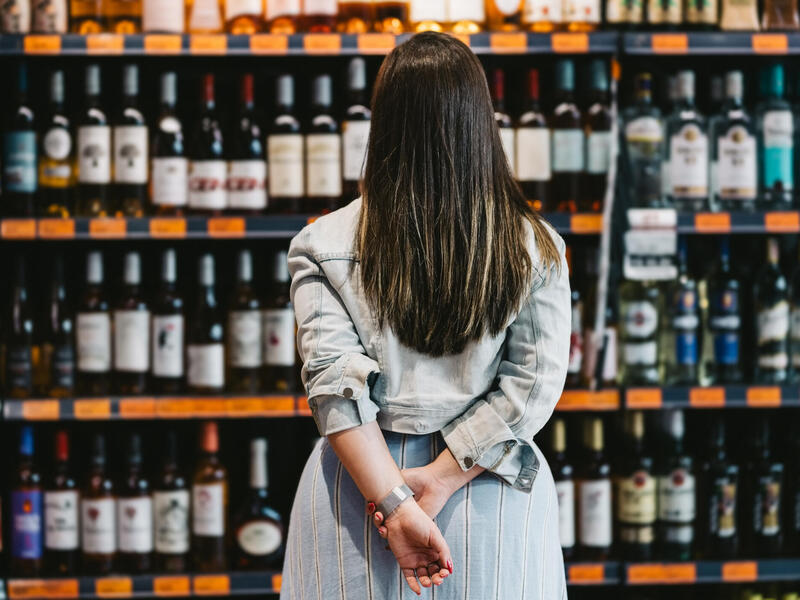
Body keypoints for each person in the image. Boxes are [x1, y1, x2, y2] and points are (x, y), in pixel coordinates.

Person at [281, 32, 570, 600]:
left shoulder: (321, 242)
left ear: (382, 121)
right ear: (479, 120)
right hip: (490, 486)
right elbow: (533, 388)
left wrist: (394, 499)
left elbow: (334, 389)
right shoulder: (537, 245)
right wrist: (437, 481)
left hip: (357, 494)